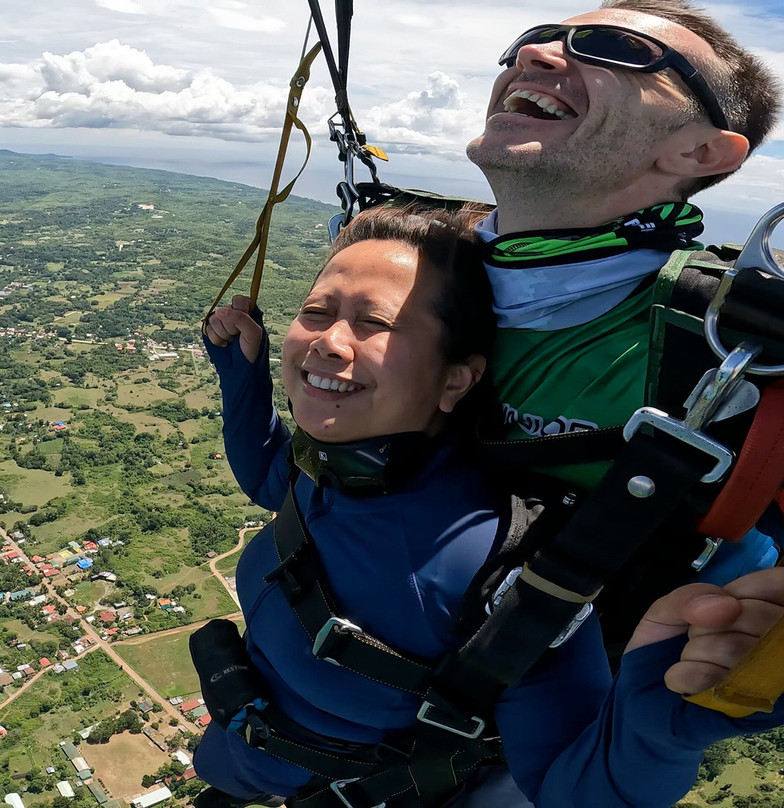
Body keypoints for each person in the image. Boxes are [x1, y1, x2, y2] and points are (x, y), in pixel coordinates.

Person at [190, 204, 784, 808]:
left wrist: (658, 730)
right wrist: (240, 369)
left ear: (456, 380)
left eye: (375, 324)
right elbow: (269, 480)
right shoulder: (328, 468)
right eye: (316, 312)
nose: (329, 342)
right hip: (238, 758)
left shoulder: (494, 576)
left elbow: (570, 792)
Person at [460, 0, 784, 657]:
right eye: (534, 38)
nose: (535, 54)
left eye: (613, 48)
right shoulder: (409, 272)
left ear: (699, 150)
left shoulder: (739, 351)